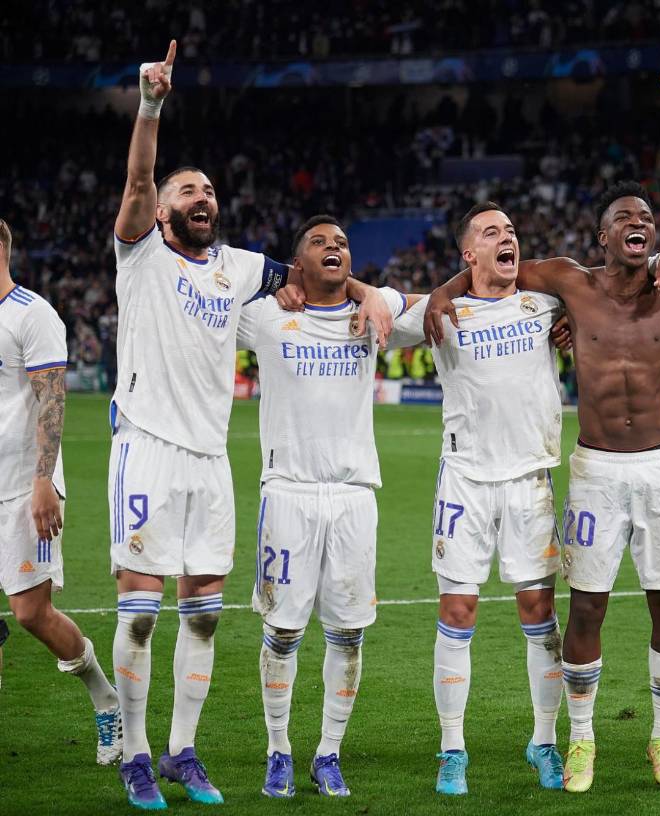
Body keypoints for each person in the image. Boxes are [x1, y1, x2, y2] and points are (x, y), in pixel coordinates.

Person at [108, 42, 390, 810]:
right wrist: (152, 105)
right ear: (163, 210)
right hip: (147, 449)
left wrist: (363, 290)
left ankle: (180, 752)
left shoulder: (237, 266)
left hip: (212, 460)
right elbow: (137, 179)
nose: (203, 197)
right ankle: (133, 753)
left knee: (201, 617)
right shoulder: (138, 253)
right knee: (138, 619)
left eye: (209, 190)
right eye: (187, 190)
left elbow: (313, 274)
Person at [424, 181, 660, 793]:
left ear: (653, 236)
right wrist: (442, 290)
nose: (638, 222)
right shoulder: (568, 282)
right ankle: (577, 740)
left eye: (647, 218)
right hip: (594, 469)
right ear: (602, 236)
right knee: (586, 604)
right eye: (624, 216)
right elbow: (494, 276)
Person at [391, 202, 571, 796]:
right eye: (492, 233)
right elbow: (374, 306)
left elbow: (591, 287)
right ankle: (451, 749)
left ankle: (545, 741)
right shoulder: (442, 312)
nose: (507, 237)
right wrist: (440, 292)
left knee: (538, 613)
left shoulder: (545, 303)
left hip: (530, 481)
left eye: (512, 230)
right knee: (458, 611)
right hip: (465, 480)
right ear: (469, 255)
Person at [236, 215, 413, 799]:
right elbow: (202, 306)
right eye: (319, 243)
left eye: (341, 243)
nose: (334, 247)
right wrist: (274, 282)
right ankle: (278, 750)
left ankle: (329, 753)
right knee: (282, 631)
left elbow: (437, 300)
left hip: (354, 497)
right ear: (297, 262)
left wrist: (372, 296)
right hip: (287, 493)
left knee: (348, 635)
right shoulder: (267, 315)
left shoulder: (374, 311)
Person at [0, 218, 122, 766]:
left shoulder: (32, 314)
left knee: (31, 613)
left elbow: (52, 401)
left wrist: (44, 480)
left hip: (23, 486)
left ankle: (105, 698)